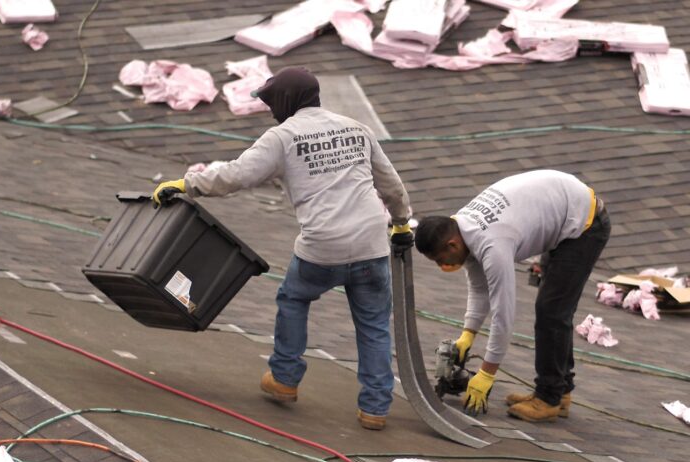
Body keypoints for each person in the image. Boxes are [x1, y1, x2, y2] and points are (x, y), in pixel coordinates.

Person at [152, 67, 412, 430]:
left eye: (273, 102)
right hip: (372, 243)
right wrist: (401, 223)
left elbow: (236, 176)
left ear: (287, 101)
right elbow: (392, 186)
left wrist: (185, 184)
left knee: (293, 299)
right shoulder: (357, 129)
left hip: (322, 245)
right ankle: (375, 408)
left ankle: (285, 378)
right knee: (373, 326)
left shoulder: (283, 137)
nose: (272, 109)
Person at [413, 169, 611, 423]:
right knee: (554, 310)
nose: (443, 266)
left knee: (552, 311)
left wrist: (486, 373)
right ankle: (560, 391)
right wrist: (468, 334)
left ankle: (549, 399)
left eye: (441, 260)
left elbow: (503, 315)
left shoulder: (493, 245)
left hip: (584, 225)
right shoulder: (462, 228)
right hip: (564, 209)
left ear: (452, 245)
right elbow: (479, 288)